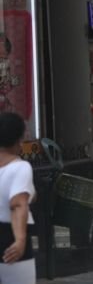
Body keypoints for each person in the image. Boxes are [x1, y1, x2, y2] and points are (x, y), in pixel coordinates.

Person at [0, 113, 34, 284]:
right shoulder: (20, 167)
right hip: (9, 236)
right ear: (18, 139)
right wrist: (20, 240)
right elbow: (18, 204)